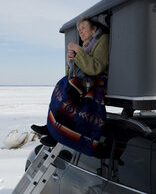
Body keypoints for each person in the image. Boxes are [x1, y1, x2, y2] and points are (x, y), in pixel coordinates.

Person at [32, 17, 109, 156]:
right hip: (85, 80)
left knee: (70, 90)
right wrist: (70, 61)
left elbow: (95, 68)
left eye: (84, 28)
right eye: (79, 30)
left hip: (98, 80)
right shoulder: (86, 45)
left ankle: (56, 134)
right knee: (61, 85)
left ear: (94, 29)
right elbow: (71, 74)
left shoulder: (102, 40)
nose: (80, 32)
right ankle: (51, 127)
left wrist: (78, 51)